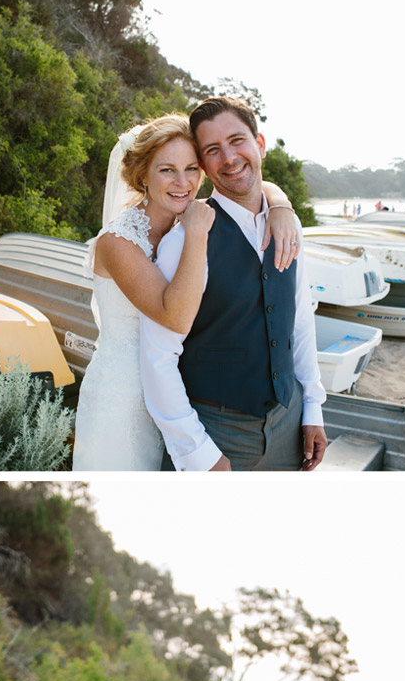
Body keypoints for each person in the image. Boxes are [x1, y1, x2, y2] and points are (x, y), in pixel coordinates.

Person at [72, 112, 305, 472]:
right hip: (125, 400)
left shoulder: (184, 216)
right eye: (167, 170)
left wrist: (280, 204)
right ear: (142, 177)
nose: (183, 182)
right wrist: (196, 234)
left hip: (178, 398)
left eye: (192, 168)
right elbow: (176, 316)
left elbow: (253, 183)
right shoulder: (117, 242)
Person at [139, 95, 326, 471]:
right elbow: (158, 356)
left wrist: (312, 408)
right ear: (204, 166)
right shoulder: (185, 239)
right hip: (216, 433)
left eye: (237, 141)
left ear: (259, 144)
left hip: (288, 425)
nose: (228, 157)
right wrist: (197, 453)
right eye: (212, 150)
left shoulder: (287, 226)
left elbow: (300, 320)